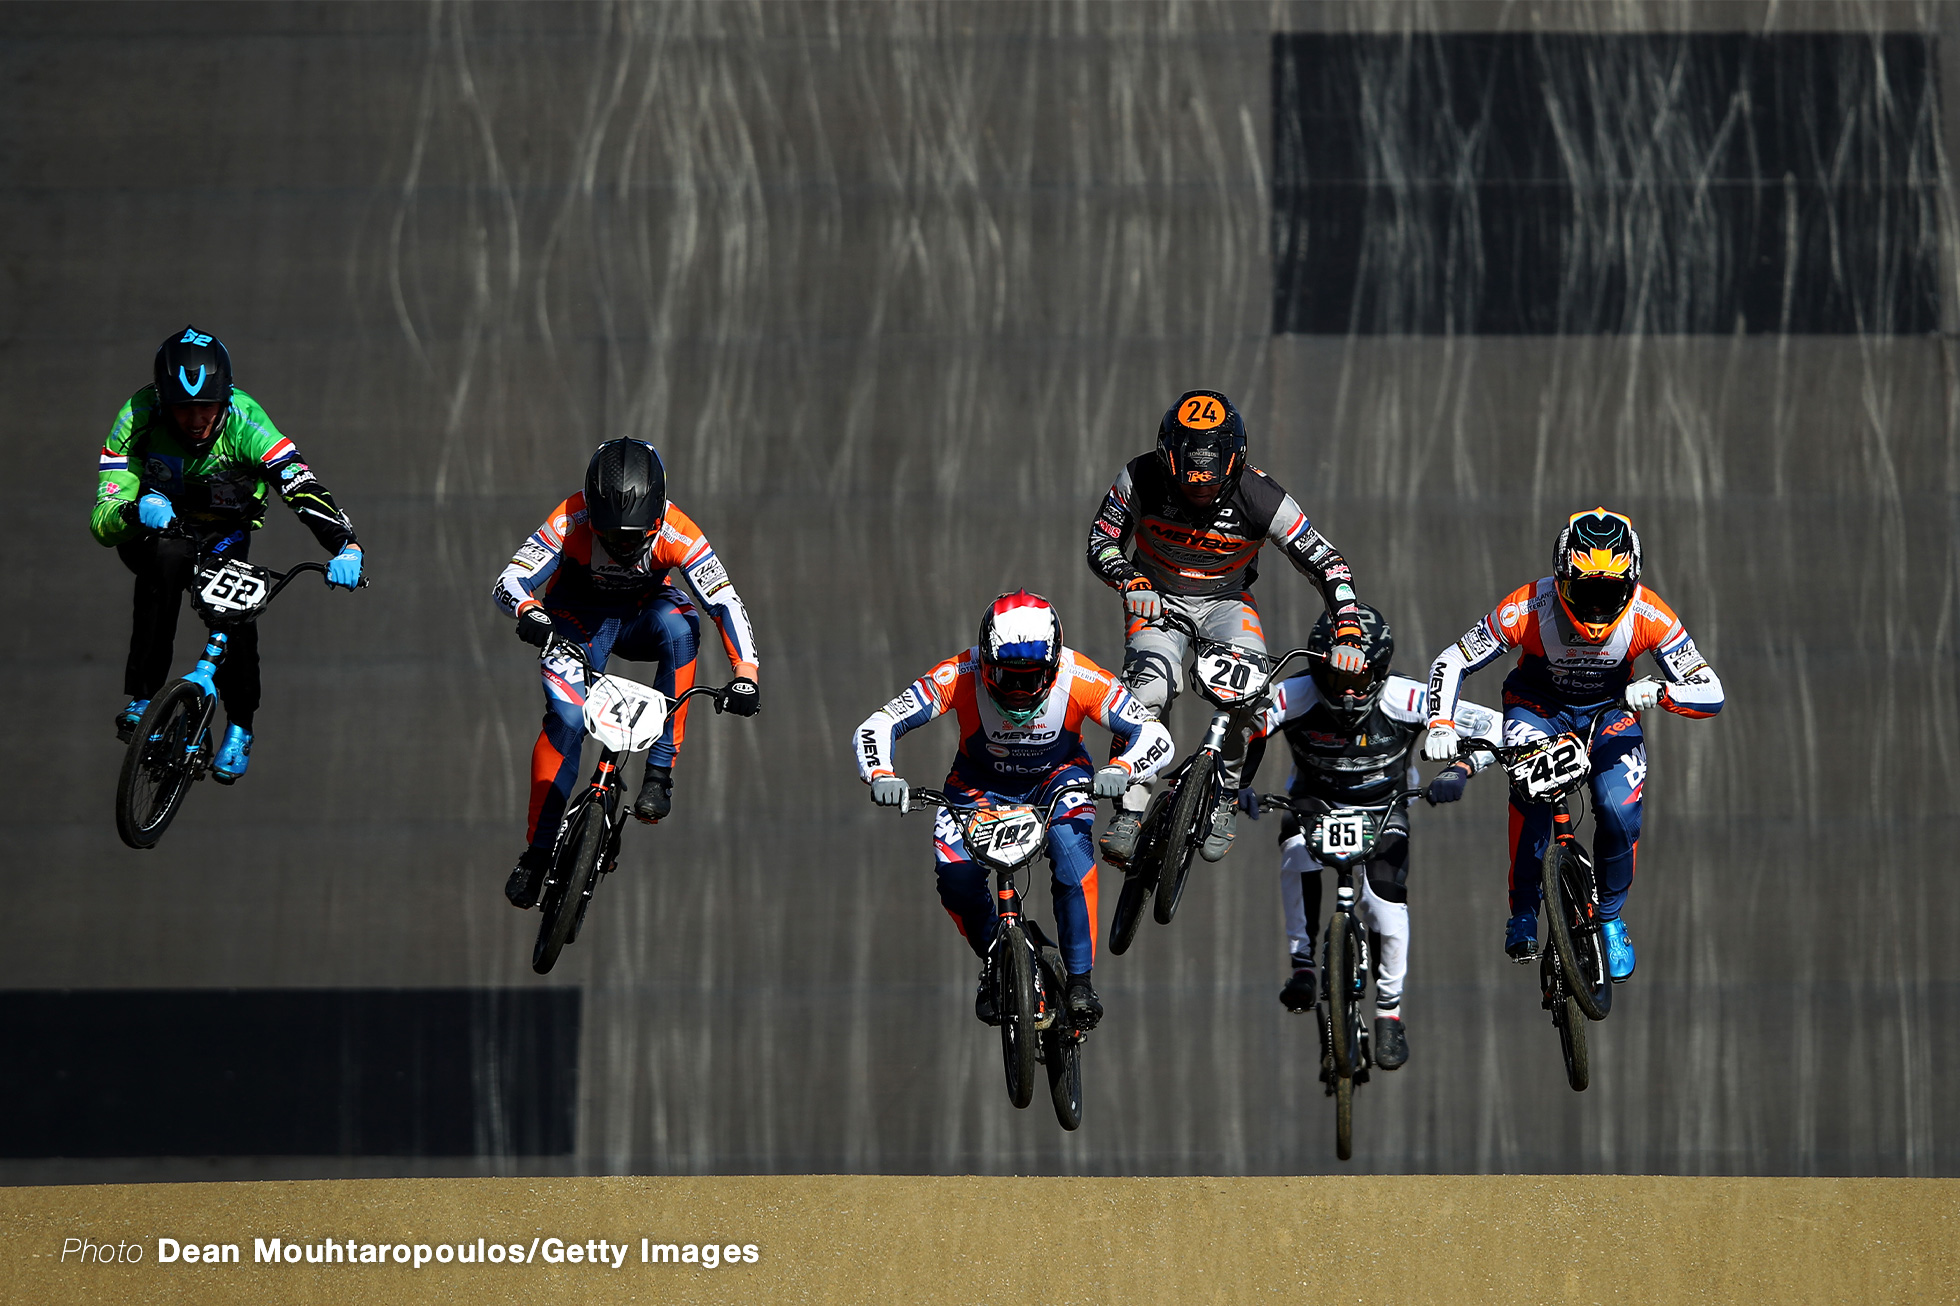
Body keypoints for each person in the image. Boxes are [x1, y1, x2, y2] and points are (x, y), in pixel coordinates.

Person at [1422, 508, 1724, 980]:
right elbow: (1454, 658)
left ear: (1632, 583)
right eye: (1586, 592)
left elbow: (1712, 691)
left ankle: (1610, 916)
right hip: (1539, 707)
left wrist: (1662, 692)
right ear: (1561, 579)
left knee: (1618, 807)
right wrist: (1439, 723)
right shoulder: (1527, 606)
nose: (1598, 608)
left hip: (1610, 710)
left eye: (1611, 593)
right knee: (1531, 788)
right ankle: (1523, 908)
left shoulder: (1650, 614)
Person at [855, 591, 1173, 1028]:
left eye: (1031, 677)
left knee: (1071, 855)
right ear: (984, 660)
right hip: (976, 787)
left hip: (1058, 781)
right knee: (957, 880)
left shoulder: (1079, 675)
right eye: (1005, 675)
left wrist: (1122, 767)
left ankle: (1081, 982)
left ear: (1054, 663)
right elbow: (881, 722)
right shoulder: (958, 673)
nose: (1018, 690)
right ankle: (997, 961)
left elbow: (1155, 736)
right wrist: (881, 773)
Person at [1086, 388, 1370, 865]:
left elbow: (1327, 562)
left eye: (1209, 486)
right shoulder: (1138, 478)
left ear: (1234, 463)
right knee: (1148, 692)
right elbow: (1101, 540)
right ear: (1166, 459)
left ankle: (1224, 798)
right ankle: (1129, 812)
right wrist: (1129, 578)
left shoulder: (1262, 497)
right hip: (1155, 598)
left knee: (1249, 694)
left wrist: (1348, 632)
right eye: (1189, 485)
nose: (1199, 495)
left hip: (1227, 601)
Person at [494, 438, 760, 908]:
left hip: (641, 615)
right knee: (568, 720)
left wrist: (746, 673)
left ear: (657, 517)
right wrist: (529, 611)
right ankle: (536, 855)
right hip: (575, 619)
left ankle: (658, 775)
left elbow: (724, 601)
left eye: (634, 537)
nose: (621, 547)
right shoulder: (570, 517)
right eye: (609, 536)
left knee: (683, 625)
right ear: (590, 514)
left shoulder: (680, 531)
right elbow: (509, 579)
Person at [91, 325, 364, 781]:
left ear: (227, 398)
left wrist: (345, 545)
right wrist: (136, 509)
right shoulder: (136, 418)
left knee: (236, 607)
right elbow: (102, 522)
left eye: (206, 407)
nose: (195, 420)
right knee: (166, 559)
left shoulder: (249, 423)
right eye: (182, 410)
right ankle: (142, 695)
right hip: (154, 526)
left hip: (224, 529)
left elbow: (301, 486)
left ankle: (241, 724)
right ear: (162, 402)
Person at [1237, 604, 1501, 1070]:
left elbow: (1493, 728)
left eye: (1359, 681)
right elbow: (1241, 732)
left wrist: (1460, 769)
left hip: (1385, 806)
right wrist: (1233, 786)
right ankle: (1302, 963)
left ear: (1379, 673)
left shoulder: (1407, 697)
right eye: (1336, 680)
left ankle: (1390, 1013)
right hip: (1314, 801)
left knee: (1384, 905)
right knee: (1296, 856)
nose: (1347, 694)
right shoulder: (1292, 695)